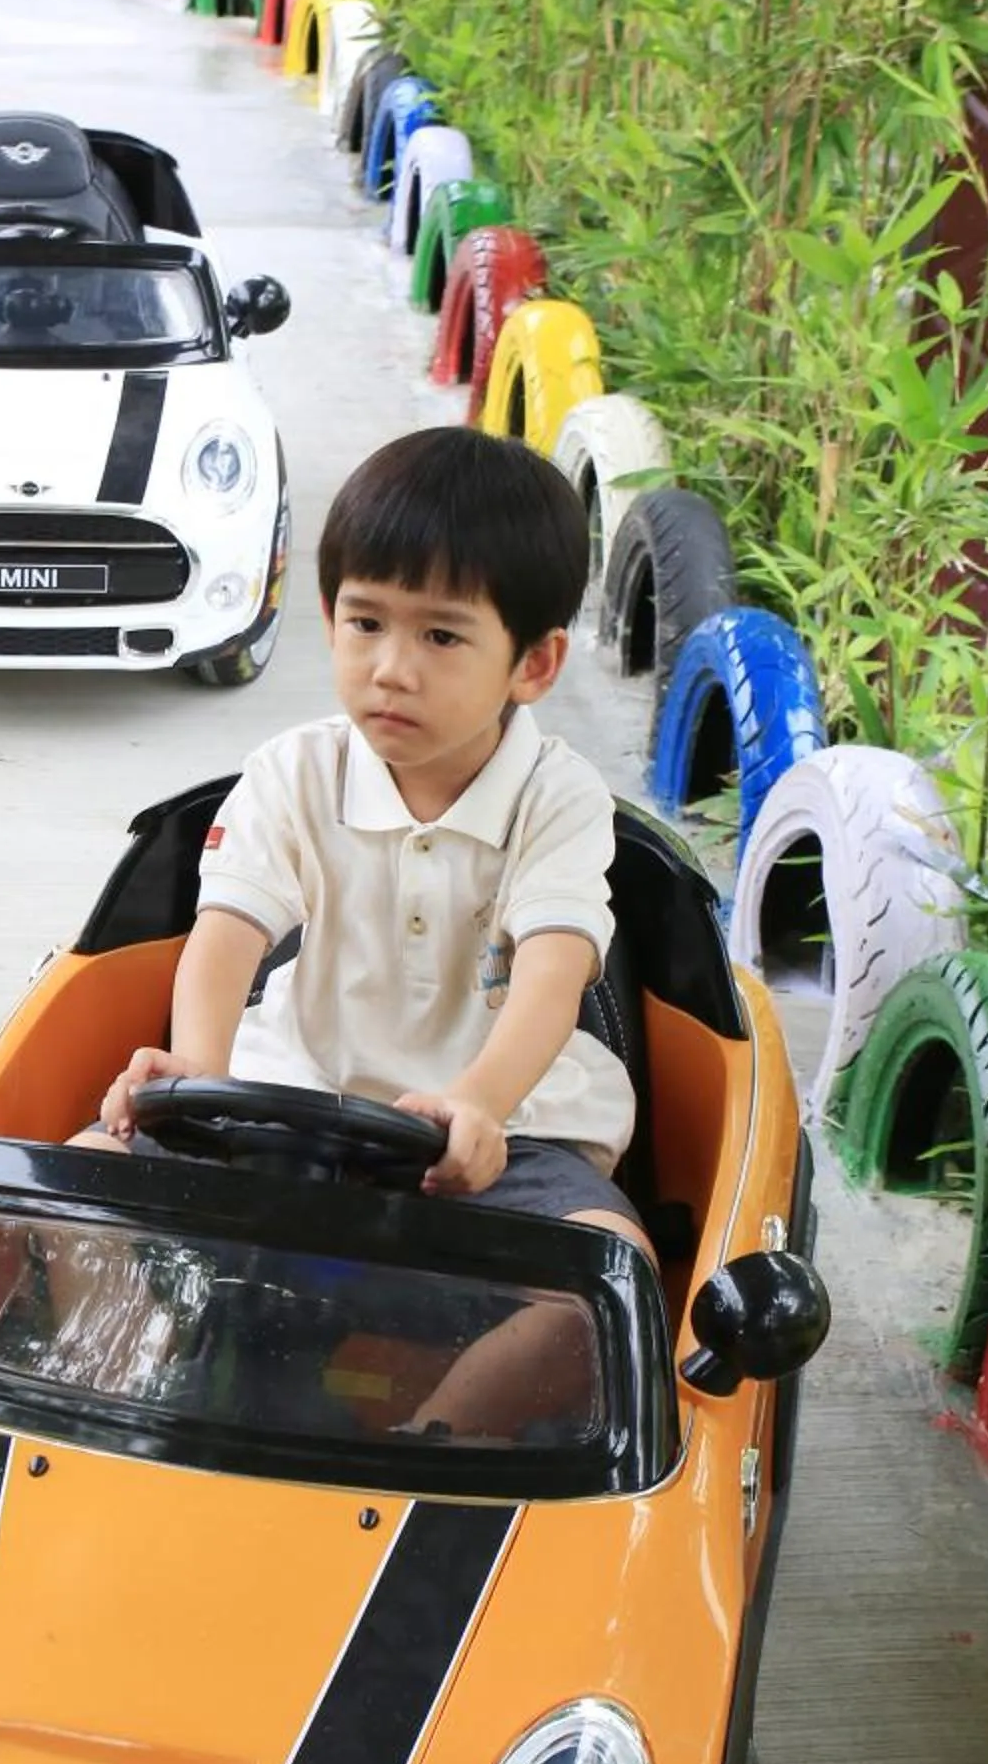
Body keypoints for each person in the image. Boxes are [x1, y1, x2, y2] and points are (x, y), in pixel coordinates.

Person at [72, 426, 651, 1431]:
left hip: (506, 1128)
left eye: (439, 636)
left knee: (609, 1275)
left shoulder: (555, 799)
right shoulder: (292, 771)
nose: (389, 669)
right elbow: (226, 935)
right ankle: (133, 1386)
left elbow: (553, 976)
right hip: (288, 1102)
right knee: (74, 1190)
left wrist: (476, 1103)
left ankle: (434, 1439)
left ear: (534, 663)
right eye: (363, 622)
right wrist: (195, 1077)